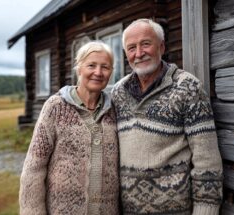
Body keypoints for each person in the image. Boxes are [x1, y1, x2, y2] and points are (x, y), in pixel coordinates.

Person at [111, 18, 223, 215]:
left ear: (161, 46)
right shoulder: (118, 92)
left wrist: (206, 210)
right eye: (131, 48)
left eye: (146, 44)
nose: (139, 53)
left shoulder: (188, 87)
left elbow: (207, 160)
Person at [19, 41, 119, 215]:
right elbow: (34, 169)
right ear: (79, 68)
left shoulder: (114, 110)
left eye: (105, 67)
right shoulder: (55, 106)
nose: (98, 72)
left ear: (111, 72)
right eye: (91, 65)